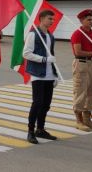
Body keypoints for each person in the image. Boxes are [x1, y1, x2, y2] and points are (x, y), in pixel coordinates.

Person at [22, 10, 59, 144]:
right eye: (50, 19)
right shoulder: (33, 34)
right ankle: (30, 131)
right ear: (42, 19)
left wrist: (55, 75)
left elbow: (51, 56)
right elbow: (26, 53)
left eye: (53, 19)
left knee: (46, 104)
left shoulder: (50, 36)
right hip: (38, 75)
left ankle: (40, 129)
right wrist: (44, 60)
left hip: (49, 75)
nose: (52, 21)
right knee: (37, 103)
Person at [71, 9, 92, 132]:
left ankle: (87, 119)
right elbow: (77, 51)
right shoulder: (78, 34)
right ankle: (78, 120)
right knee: (80, 92)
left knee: (91, 93)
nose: (91, 21)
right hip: (81, 63)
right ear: (81, 20)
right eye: (88, 19)